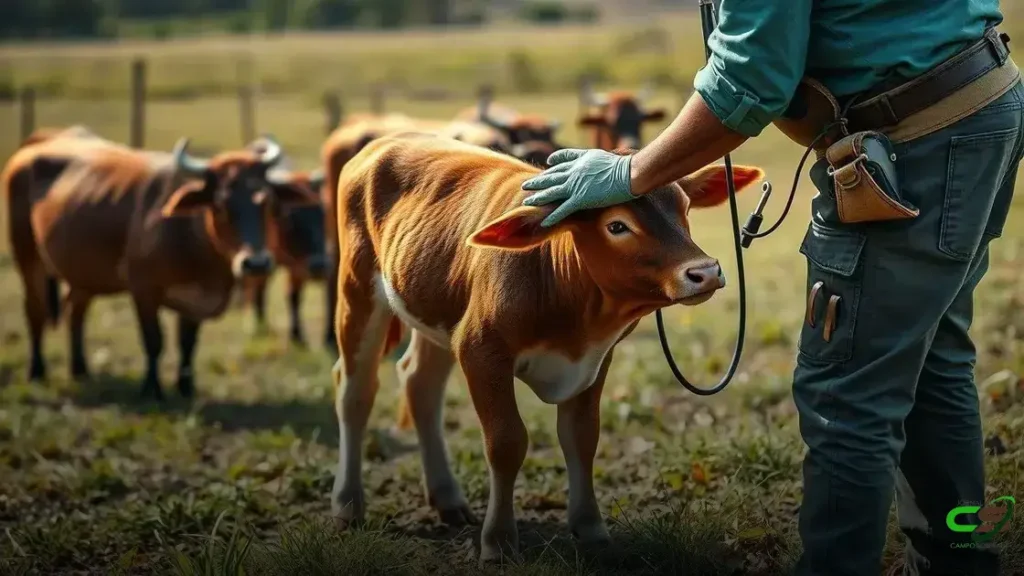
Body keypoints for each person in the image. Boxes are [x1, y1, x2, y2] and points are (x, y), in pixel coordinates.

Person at [519, 2, 1020, 575]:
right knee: (934, 360)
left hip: (915, 141)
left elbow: (750, 80)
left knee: (846, 393)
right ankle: (956, 562)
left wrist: (628, 174)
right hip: (976, 105)